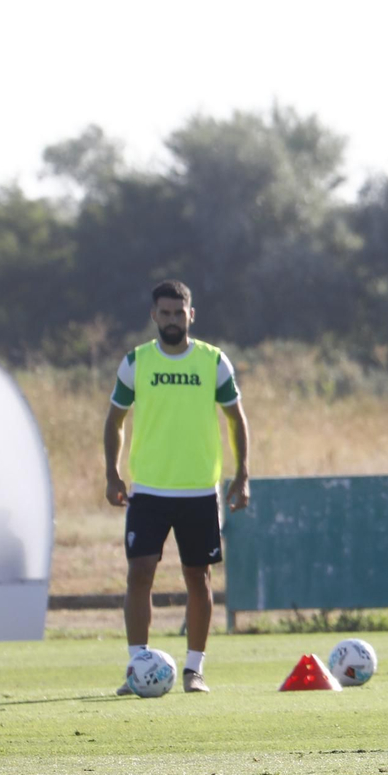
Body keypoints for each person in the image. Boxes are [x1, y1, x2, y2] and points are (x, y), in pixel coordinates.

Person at [104, 280, 250, 694]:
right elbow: (114, 420)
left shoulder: (213, 361)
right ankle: (137, 667)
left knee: (198, 578)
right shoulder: (135, 362)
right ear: (154, 315)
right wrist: (112, 474)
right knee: (139, 574)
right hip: (148, 490)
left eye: (178, 312)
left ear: (191, 314)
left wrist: (242, 475)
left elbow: (236, 419)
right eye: (164, 313)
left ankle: (194, 670)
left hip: (199, 491)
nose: (172, 319)